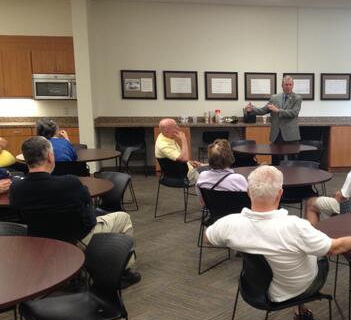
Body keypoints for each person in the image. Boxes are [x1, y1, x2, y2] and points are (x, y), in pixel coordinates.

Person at [205, 165, 351, 320]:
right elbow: (335, 248)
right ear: (280, 194)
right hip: (299, 288)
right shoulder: (295, 226)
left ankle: (300, 310)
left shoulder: (229, 224)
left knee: (293, 253)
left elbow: (208, 238)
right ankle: (300, 309)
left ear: (248, 192)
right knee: (313, 253)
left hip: (253, 288)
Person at [9, 136, 141, 285]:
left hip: (42, 242)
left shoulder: (16, 188)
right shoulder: (69, 183)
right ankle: (124, 272)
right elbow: (87, 201)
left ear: (26, 159)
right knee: (123, 217)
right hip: (77, 238)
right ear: (50, 157)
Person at [244, 76, 301, 144]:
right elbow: (264, 110)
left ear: (293, 85)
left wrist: (278, 110)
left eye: (290, 84)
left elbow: (294, 112)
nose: (288, 87)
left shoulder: (297, 98)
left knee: (292, 151)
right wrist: (252, 108)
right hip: (276, 135)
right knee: (275, 151)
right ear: (282, 85)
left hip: (291, 136)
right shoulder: (274, 98)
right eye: (286, 85)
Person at [155, 118, 205, 183]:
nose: (178, 128)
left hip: (184, 169)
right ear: (167, 131)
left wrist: (189, 162)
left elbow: (177, 158)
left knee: (209, 168)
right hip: (183, 176)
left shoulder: (163, 135)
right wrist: (184, 139)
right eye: (175, 127)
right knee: (212, 175)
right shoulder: (164, 145)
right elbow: (184, 159)